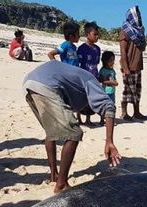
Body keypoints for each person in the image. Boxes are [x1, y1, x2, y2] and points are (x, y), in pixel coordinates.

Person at [23, 61, 121, 193]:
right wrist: (109, 141)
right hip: (47, 84)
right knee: (74, 133)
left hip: (29, 83)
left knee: (51, 132)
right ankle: (61, 184)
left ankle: (54, 175)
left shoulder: (73, 83)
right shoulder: (90, 80)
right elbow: (108, 106)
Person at [119, 5, 147, 121]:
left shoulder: (140, 31)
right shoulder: (125, 31)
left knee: (137, 90)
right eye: (137, 15)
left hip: (138, 65)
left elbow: (143, 48)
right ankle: (124, 113)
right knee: (127, 90)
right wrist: (125, 68)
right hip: (128, 65)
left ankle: (136, 112)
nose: (139, 17)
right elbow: (123, 51)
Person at [76, 22, 101, 126]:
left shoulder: (97, 49)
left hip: (94, 77)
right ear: (87, 35)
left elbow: (96, 63)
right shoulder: (81, 49)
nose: (97, 36)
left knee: (91, 99)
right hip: (83, 78)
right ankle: (78, 117)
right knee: (81, 98)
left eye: (97, 34)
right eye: (94, 34)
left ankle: (88, 119)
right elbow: (78, 63)